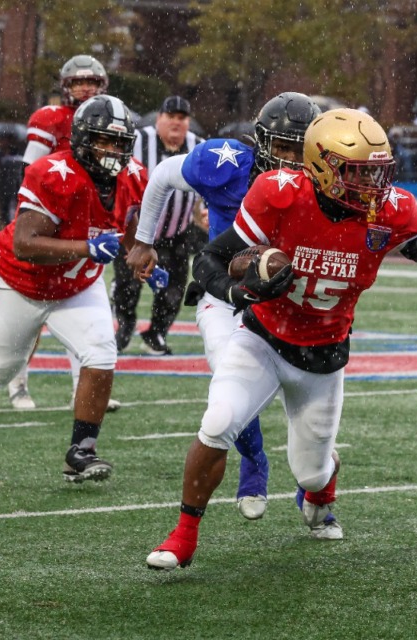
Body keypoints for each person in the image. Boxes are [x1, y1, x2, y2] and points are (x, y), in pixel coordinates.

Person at [130, 108, 417, 571]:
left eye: (378, 172)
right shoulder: (279, 194)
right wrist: (237, 291)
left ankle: (322, 487)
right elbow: (212, 259)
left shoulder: (388, 210)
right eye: (359, 172)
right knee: (217, 422)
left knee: (310, 470)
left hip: (323, 358)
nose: (373, 185)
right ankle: (184, 534)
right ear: (321, 165)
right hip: (263, 339)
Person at [0, 95, 146, 482]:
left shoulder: (134, 176)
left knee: (100, 354)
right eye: (104, 140)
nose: (114, 150)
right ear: (81, 139)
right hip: (20, 283)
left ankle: (82, 450)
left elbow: (130, 229)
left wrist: (142, 255)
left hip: (77, 284)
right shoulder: (53, 173)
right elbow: (25, 244)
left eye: (120, 142)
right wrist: (87, 247)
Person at [129, 92, 321, 522]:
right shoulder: (225, 163)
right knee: (227, 387)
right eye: (283, 147)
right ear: (262, 142)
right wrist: (144, 241)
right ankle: (254, 461)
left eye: (300, 149)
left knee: (307, 401)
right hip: (224, 294)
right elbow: (160, 175)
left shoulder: (323, 182)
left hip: (291, 301)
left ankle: (315, 484)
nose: (291, 160)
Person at [9, 54, 109, 410]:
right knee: (30, 314)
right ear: (65, 86)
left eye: (91, 82)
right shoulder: (50, 119)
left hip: (87, 220)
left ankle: (80, 390)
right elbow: (30, 170)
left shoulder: (106, 117)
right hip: (50, 219)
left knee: (83, 307)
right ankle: (17, 385)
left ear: (102, 85)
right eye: (78, 81)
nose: (85, 87)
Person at [112, 95, 204, 356]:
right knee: (127, 285)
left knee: (173, 290)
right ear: (159, 118)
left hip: (176, 234)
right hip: (136, 233)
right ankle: (125, 326)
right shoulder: (138, 140)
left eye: (181, 117)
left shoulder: (199, 147)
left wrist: (206, 209)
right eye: (170, 116)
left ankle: (157, 333)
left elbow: (210, 184)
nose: (176, 122)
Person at [0, 137, 24, 230]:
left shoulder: (6, 161)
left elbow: (2, 175)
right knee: (16, 207)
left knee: (7, 207)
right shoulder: (22, 160)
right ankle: (14, 224)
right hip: (19, 187)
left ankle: (7, 224)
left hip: (7, 188)